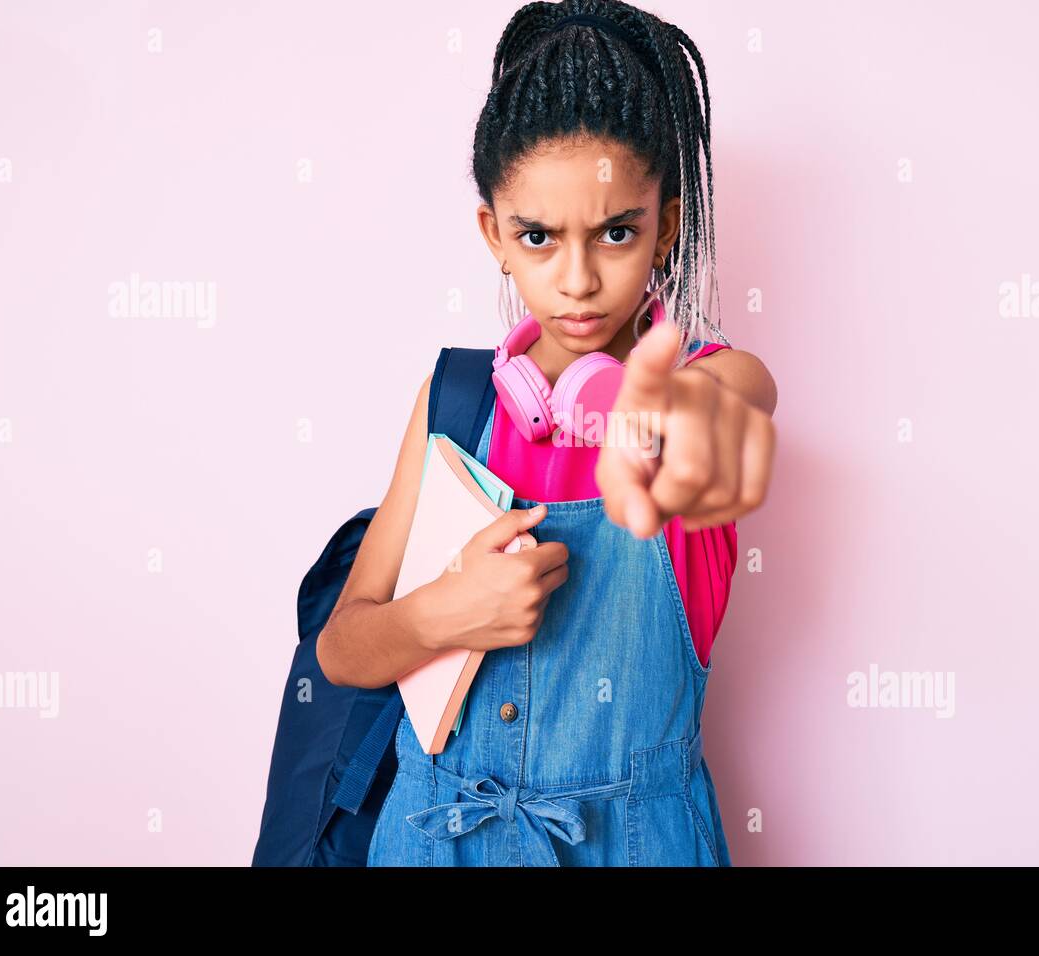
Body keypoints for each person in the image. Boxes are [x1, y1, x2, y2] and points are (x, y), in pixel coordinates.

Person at [316, 0, 777, 867]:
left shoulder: (690, 396)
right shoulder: (454, 404)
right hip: (429, 836)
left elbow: (749, 392)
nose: (578, 280)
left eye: (616, 233)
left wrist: (684, 407)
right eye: (538, 237)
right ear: (494, 234)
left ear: (666, 227)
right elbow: (342, 650)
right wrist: (443, 613)